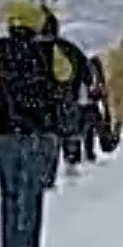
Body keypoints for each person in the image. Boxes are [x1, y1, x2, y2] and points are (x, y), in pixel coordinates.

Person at [0, 0, 72, 247]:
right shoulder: (49, 51)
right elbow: (65, 76)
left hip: (2, 132)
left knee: (9, 193)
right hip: (38, 132)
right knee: (30, 195)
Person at [42, 11, 96, 178]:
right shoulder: (69, 48)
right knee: (68, 131)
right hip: (67, 97)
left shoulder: (27, 49)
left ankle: (48, 172)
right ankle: (71, 160)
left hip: (40, 100)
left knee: (47, 135)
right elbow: (87, 74)